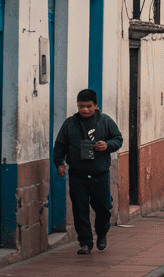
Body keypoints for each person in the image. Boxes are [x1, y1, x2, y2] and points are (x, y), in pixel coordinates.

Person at [52, 89, 124, 255]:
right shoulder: (69, 124)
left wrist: (107, 145)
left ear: (95, 105)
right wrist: (59, 164)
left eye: (88, 106)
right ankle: (85, 242)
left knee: (104, 208)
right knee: (80, 209)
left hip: (100, 174)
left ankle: (102, 232)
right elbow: (60, 145)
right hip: (78, 174)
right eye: (81, 106)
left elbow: (118, 139)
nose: (84, 110)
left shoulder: (105, 121)